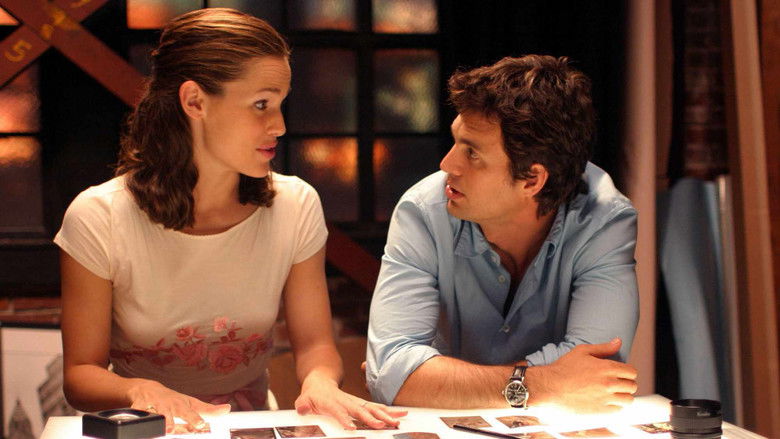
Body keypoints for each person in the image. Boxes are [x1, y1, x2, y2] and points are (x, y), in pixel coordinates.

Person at [55, 8, 404, 433]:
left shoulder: (295, 205)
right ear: (195, 101)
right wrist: (139, 389)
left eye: (279, 105)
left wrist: (320, 382)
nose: (279, 125)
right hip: (146, 429)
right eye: (261, 104)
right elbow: (80, 375)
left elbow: (315, 345)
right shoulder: (99, 216)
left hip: (251, 425)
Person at [366, 55, 640, 413]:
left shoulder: (604, 219)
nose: (447, 165)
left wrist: (432, 380)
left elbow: (599, 370)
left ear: (532, 180)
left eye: (472, 154)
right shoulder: (423, 211)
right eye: (455, 142)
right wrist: (545, 383)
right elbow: (391, 373)